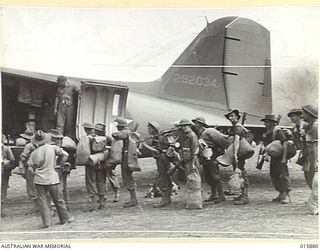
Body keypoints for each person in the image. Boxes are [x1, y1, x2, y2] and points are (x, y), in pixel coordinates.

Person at [28, 130, 73, 228]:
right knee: (58, 199)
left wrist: (35, 172)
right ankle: (65, 218)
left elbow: (30, 168)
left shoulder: (33, 153)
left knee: (43, 202)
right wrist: (60, 164)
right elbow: (66, 154)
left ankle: (47, 223)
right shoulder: (52, 148)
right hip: (52, 177)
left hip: (39, 180)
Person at [192, 117, 226, 203]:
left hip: (212, 155)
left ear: (201, 124)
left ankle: (221, 195)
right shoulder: (199, 133)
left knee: (215, 175)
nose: (195, 125)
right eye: (195, 123)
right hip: (205, 157)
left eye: (196, 123)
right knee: (208, 176)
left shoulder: (209, 131)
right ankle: (214, 194)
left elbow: (221, 141)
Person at [142, 122, 172, 207]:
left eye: (150, 129)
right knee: (164, 177)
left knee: (163, 177)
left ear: (154, 129)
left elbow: (158, 150)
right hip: (161, 159)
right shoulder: (156, 137)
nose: (148, 130)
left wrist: (145, 145)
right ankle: (167, 199)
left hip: (162, 159)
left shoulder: (160, 137)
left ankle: (165, 200)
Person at [262, 114, 291, 204]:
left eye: (266, 122)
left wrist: (284, 158)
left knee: (283, 175)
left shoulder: (277, 131)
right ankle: (281, 193)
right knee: (274, 174)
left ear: (272, 123)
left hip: (280, 157)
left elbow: (285, 143)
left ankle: (287, 195)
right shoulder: (269, 132)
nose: (265, 124)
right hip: (274, 157)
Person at [112, 117, 138, 208]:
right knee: (128, 176)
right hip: (128, 155)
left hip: (126, 156)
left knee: (127, 177)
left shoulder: (125, 132)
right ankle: (133, 199)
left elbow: (116, 135)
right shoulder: (128, 131)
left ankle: (133, 200)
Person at [225, 109, 249, 205]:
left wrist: (235, 154)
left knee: (241, 173)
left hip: (238, 152)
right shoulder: (236, 127)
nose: (230, 118)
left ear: (237, 117)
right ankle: (242, 194)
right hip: (237, 152)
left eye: (232, 116)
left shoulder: (238, 128)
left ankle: (245, 196)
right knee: (238, 172)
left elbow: (237, 141)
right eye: (229, 117)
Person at [176, 119, 202, 209]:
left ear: (189, 126)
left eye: (184, 126)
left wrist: (193, 164)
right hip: (187, 160)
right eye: (182, 126)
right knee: (190, 181)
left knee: (193, 181)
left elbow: (195, 150)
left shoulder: (192, 135)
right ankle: (192, 201)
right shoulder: (187, 135)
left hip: (192, 161)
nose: (183, 128)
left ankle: (195, 202)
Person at [49, 129, 76, 210]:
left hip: (60, 168)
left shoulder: (58, 147)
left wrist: (59, 165)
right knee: (63, 185)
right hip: (66, 167)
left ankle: (56, 205)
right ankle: (66, 203)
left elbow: (65, 155)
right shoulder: (66, 145)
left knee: (58, 186)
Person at [94, 123, 121, 203]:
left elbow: (114, 149)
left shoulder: (108, 138)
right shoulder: (95, 138)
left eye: (98, 130)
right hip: (100, 161)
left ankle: (117, 193)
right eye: (96, 130)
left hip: (108, 160)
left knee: (111, 177)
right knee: (100, 178)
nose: (97, 132)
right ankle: (103, 195)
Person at [301, 105, 318, 215]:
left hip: (316, 156)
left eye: (304, 113)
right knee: (310, 178)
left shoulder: (316, 127)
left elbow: (317, 146)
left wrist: (316, 161)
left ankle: (314, 204)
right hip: (310, 156)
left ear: (309, 114)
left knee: (317, 182)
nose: (302, 116)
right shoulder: (309, 126)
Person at [1, 135, 15, 217]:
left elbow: (13, 162)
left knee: (3, 190)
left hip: (4, 173)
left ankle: (0, 210)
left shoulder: (6, 149)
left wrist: (6, 166)